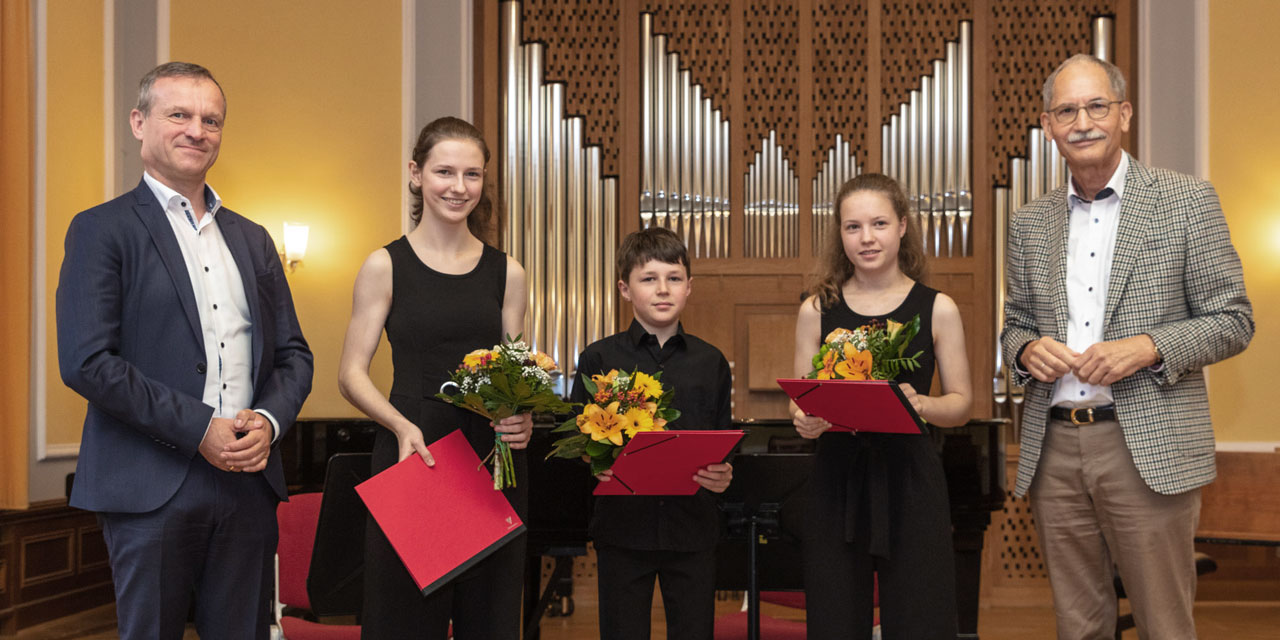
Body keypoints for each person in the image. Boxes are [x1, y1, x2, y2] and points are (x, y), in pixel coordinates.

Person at [56, 62, 314, 639]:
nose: (198, 130)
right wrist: (201, 428)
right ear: (139, 122)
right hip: (149, 483)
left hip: (248, 482)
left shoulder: (252, 239)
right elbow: (87, 361)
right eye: (180, 115)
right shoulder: (101, 230)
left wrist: (268, 422)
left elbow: (295, 354)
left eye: (211, 120)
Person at [1001, 54, 1254, 639]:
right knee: (1078, 626)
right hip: (1054, 449)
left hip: (1147, 444)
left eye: (1096, 106)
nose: (1083, 121)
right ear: (1048, 125)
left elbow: (1234, 319)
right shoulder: (1027, 223)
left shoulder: (1187, 200)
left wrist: (1148, 346)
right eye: (1067, 110)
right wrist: (1023, 351)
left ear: (1125, 113)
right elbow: (1014, 325)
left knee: (1164, 624)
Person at [337, 116, 531, 639]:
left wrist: (523, 418)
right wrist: (400, 426)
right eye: (445, 171)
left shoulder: (507, 272)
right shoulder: (384, 265)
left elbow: (515, 376)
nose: (459, 187)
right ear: (416, 174)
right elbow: (350, 373)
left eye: (472, 174)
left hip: (492, 459)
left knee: (489, 621)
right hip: (414, 451)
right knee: (404, 621)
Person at [791, 173, 972, 639]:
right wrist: (805, 421)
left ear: (903, 226)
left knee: (920, 620)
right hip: (836, 479)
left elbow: (962, 404)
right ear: (840, 234)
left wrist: (922, 403)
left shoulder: (938, 308)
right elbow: (801, 400)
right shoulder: (816, 309)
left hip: (910, 478)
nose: (866, 238)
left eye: (878, 224)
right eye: (853, 227)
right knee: (834, 621)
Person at [568, 226, 734, 640]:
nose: (663, 290)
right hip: (623, 528)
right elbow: (574, 436)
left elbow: (721, 439)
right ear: (625, 289)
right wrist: (592, 458)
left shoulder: (711, 361)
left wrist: (725, 472)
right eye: (649, 279)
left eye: (674, 278)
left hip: (693, 528)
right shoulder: (598, 357)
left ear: (689, 287)